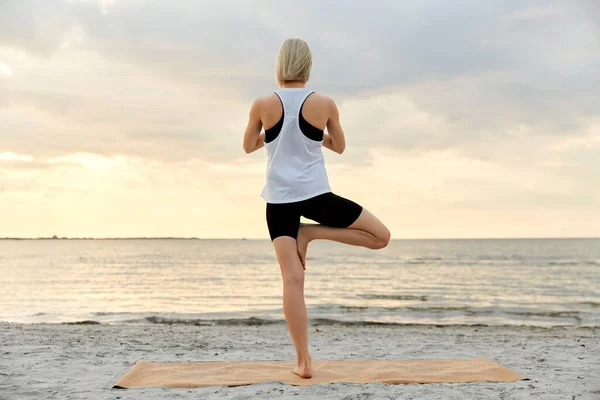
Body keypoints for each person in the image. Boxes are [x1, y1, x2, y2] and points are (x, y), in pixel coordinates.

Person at [242, 38, 391, 379]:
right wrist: (314, 137)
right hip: (316, 197)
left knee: (292, 282)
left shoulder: (262, 104)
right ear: (307, 67)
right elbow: (338, 146)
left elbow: (249, 145)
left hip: (279, 202)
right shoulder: (324, 103)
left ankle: (303, 362)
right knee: (381, 237)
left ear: (279, 66)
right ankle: (313, 233)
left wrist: (275, 135)